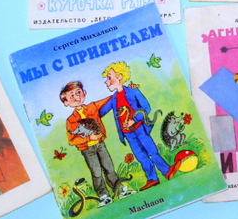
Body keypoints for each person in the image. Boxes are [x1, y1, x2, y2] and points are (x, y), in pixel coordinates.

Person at [99, 62, 172, 191]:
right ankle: (152, 178)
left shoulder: (132, 91)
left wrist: (134, 120)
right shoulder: (114, 99)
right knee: (141, 156)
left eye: (109, 77)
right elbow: (100, 112)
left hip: (139, 128)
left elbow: (146, 107)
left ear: (120, 77)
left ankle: (167, 171)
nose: (107, 82)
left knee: (152, 150)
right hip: (128, 134)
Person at [61, 81, 132, 207]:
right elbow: (72, 140)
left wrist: (122, 91)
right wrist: (89, 138)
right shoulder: (71, 120)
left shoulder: (92, 107)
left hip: (100, 144)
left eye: (78, 93)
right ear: (66, 102)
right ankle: (103, 195)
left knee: (109, 167)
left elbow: (108, 100)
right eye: (71, 96)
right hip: (87, 149)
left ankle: (119, 190)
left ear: (84, 93)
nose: (77, 98)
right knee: (96, 172)